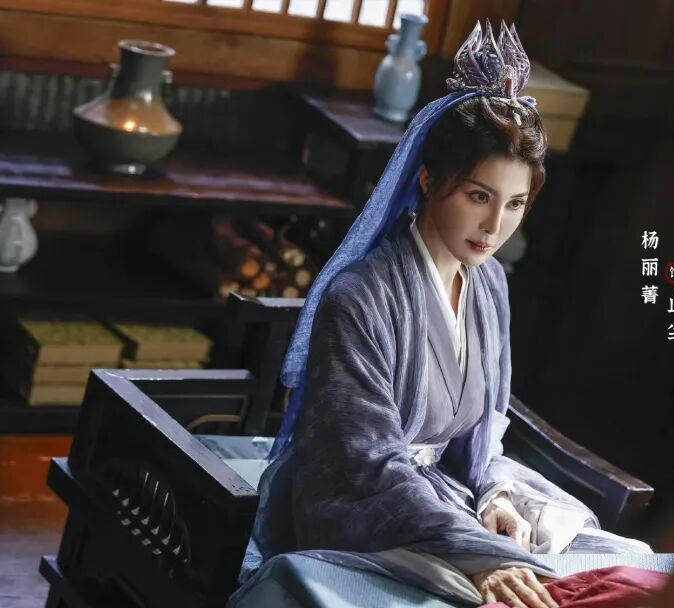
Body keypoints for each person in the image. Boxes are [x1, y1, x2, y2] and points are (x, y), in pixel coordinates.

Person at [232, 20, 650, 608]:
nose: (494, 226)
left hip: (449, 497)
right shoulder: (360, 297)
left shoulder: (490, 284)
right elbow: (362, 464)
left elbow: (483, 434)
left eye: (515, 204)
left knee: (626, 573)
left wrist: (496, 499)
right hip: (369, 510)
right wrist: (475, 553)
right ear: (428, 180)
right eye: (479, 196)